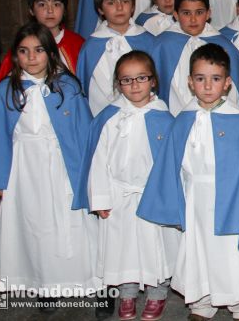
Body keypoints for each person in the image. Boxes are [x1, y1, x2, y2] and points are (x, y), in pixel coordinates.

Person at [0, 22, 100, 305]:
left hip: (63, 166)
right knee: (34, 228)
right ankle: (43, 285)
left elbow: (83, 132)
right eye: (24, 51)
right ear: (15, 56)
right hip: (24, 172)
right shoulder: (7, 91)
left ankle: (86, 282)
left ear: (50, 53)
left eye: (38, 50)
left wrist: (91, 174)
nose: (32, 57)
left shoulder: (67, 87)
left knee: (69, 224)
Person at [138, 44, 239, 321]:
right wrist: (174, 202)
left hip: (231, 198)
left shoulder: (238, 121)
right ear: (190, 83)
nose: (208, 86)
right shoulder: (182, 120)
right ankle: (202, 303)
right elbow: (169, 166)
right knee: (198, 250)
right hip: (195, 196)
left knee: (233, 252)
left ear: (227, 83)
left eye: (215, 79)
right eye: (200, 78)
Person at [73, 51, 177, 321]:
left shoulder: (165, 118)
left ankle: (157, 293)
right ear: (118, 84)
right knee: (122, 250)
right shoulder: (109, 118)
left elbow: (173, 165)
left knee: (157, 248)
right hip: (119, 196)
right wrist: (102, 199)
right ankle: (127, 292)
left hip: (151, 196)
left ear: (153, 81)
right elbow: (97, 161)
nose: (134, 85)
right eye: (126, 80)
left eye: (141, 78)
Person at [153, 0, 239, 116]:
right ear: (176, 15)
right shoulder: (162, 45)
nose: (193, 19)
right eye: (186, 13)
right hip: (175, 119)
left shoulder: (224, 46)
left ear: (208, 14)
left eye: (199, 12)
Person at [76, 0, 155, 116]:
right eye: (111, 3)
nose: (119, 7)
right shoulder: (90, 47)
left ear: (133, 7)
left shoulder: (148, 41)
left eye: (125, 1)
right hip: (104, 117)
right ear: (100, 9)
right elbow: (84, 89)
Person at [0, 0, 84, 85]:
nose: (50, 10)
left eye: (56, 4)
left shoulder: (78, 44)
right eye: (42, 4)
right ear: (31, 10)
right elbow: (3, 91)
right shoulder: (21, 49)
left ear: (64, 10)